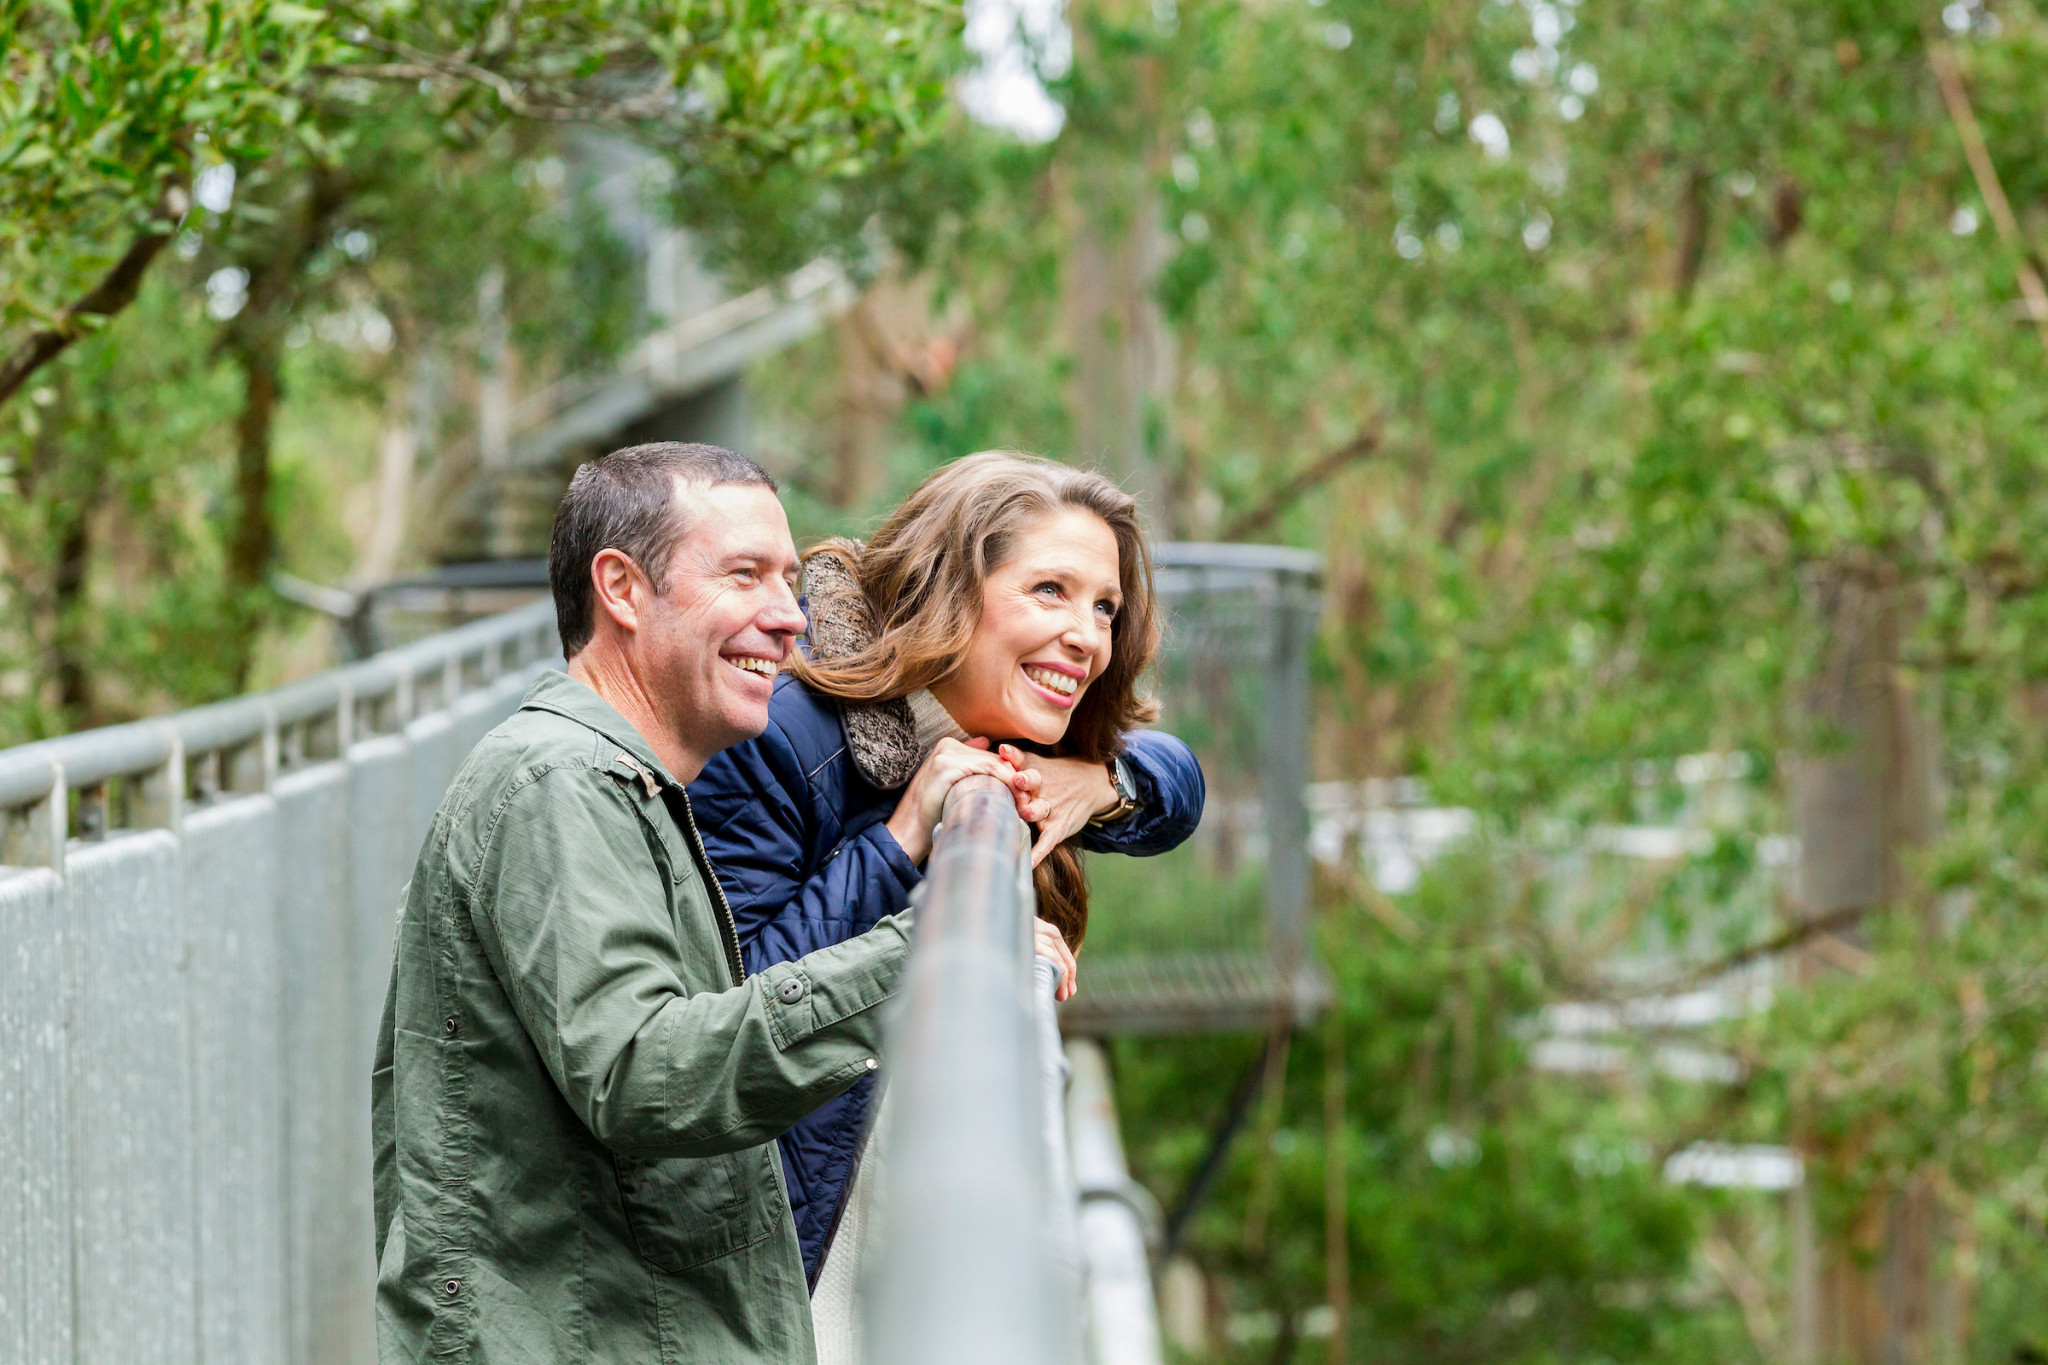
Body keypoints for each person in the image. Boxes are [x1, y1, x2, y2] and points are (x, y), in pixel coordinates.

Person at [371, 442, 1038, 1365]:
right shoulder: (558, 785)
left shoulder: (625, 786)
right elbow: (641, 1069)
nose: (789, 616)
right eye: (744, 574)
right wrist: (929, 953)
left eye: (790, 579)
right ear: (622, 588)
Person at [687, 451, 1206, 1315]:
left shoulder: (1012, 728)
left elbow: (1178, 782)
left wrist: (1102, 783)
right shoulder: (780, 732)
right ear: (951, 587)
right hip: (769, 1240)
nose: (1087, 636)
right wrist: (904, 851)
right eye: (1050, 590)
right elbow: (728, 1012)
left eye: (1105, 606)